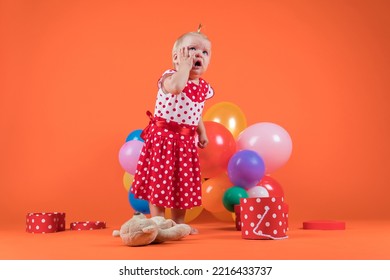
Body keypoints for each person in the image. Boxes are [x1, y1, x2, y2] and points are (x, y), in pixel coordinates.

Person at [131, 27, 214, 234]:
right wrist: (183, 69)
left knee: (182, 182)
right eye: (192, 49)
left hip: (186, 141)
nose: (198, 55)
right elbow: (177, 88)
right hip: (164, 139)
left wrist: (201, 131)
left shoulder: (203, 87)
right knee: (160, 179)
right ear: (176, 57)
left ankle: (178, 223)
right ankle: (157, 221)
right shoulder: (170, 77)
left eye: (205, 52)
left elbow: (196, 110)